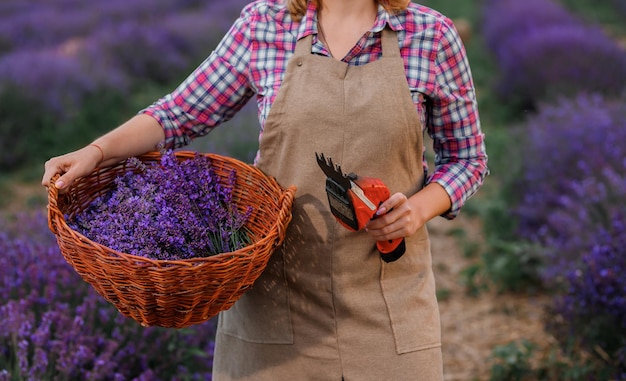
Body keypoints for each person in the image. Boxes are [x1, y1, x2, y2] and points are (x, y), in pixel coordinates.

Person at [42, 0, 488, 379]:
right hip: (276, 307)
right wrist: (98, 152)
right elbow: (177, 114)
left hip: (390, 304)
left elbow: (467, 159)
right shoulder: (265, 24)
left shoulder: (431, 36)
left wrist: (419, 208)